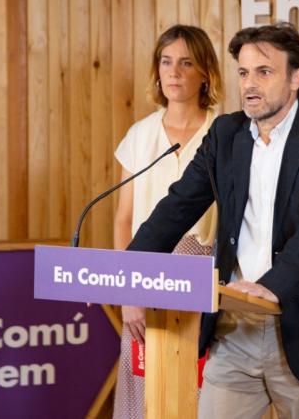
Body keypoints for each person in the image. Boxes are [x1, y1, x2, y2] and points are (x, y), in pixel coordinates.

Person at [123, 22, 299, 418]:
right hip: (234, 331)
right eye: (243, 72)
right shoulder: (225, 133)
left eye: (264, 71)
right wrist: (130, 273)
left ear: (296, 78)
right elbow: (178, 206)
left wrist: (271, 287)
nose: (250, 83)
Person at [111, 24, 222, 419]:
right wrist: (129, 293)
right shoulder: (140, 135)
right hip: (146, 278)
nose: (174, 72)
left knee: (201, 396)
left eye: (186, 63)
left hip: (207, 283)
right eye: (166, 61)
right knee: (147, 393)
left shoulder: (225, 133)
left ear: (205, 73)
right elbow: (123, 220)